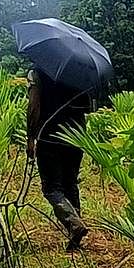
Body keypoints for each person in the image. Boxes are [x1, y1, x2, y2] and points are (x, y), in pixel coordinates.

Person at [28, 70, 99, 250]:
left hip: (50, 137)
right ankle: (75, 235)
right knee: (70, 183)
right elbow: (90, 107)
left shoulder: (38, 73)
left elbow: (34, 107)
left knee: (52, 188)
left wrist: (31, 137)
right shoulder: (80, 74)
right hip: (76, 137)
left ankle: (74, 223)